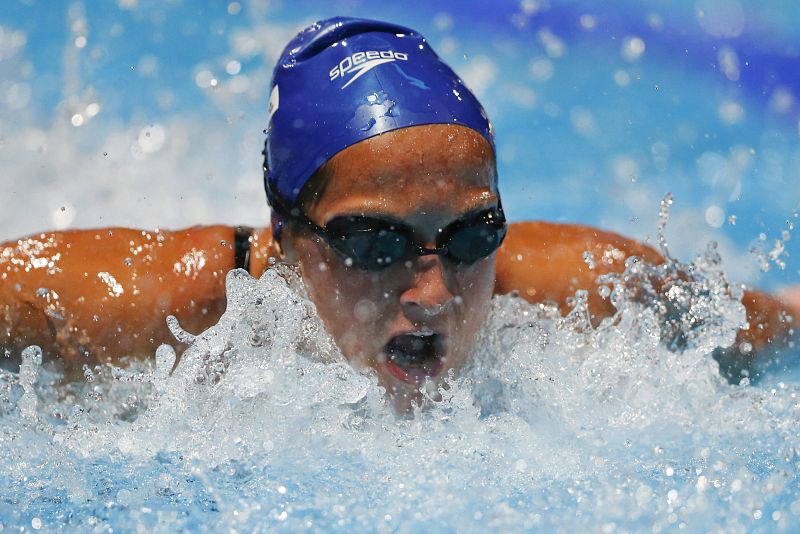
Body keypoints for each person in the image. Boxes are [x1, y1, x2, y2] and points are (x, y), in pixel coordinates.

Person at [0, 18, 796, 400]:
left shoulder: (589, 293)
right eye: (374, 242)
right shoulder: (145, 309)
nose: (435, 294)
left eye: (472, 234)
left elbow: (771, 325)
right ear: (286, 240)